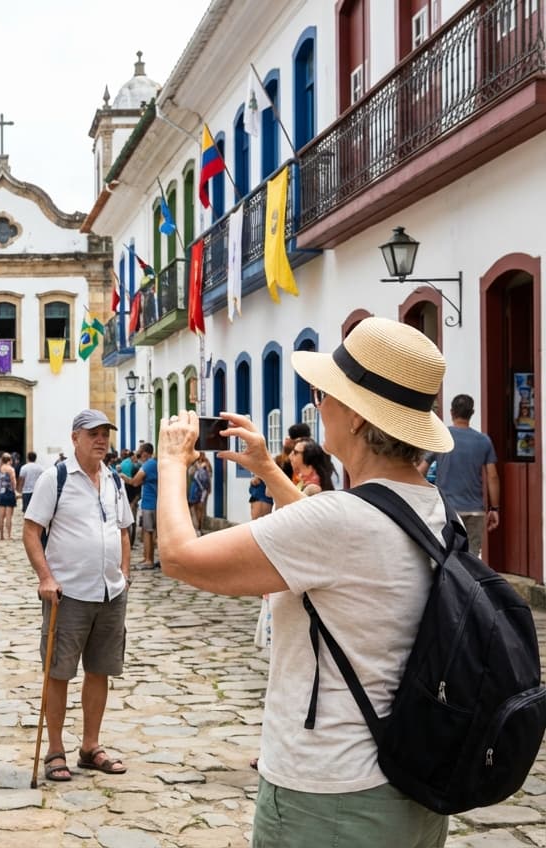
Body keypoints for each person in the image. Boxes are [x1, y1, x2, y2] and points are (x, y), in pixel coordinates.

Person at [154, 317, 452, 846]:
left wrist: (171, 461)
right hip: (410, 784)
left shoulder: (340, 519)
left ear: (357, 416)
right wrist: (269, 470)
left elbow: (179, 557)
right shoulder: (429, 506)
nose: (318, 406)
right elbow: (330, 543)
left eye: (324, 394)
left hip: (330, 794)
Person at [23, 409, 134, 781]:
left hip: (110, 593)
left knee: (100, 670)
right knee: (58, 673)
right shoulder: (55, 479)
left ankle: (90, 746)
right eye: (93, 434)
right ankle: (55, 750)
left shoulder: (114, 479)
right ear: (75, 438)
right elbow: (31, 531)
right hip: (67, 594)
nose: (101, 440)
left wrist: (124, 574)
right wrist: (45, 577)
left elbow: (123, 530)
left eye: (105, 434)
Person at [432, 393, 499, 559]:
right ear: (472, 413)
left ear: (451, 412)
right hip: (475, 510)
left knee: (447, 556)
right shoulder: (484, 441)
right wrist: (494, 509)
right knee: (472, 557)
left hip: (447, 510)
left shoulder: (441, 437)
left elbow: (421, 469)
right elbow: (492, 477)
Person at [126, 443, 159, 569]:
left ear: (145, 453)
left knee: (147, 532)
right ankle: (147, 558)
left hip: (149, 503)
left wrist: (124, 477)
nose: (138, 454)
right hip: (153, 502)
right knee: (149, 531)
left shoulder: (148, 464)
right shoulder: (154, 464)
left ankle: (149, 560)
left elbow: (135, 482)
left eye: (140, 451)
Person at [0, 452, 18, 540]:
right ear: (9, 460)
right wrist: (15, 491)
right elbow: (13, 481)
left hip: (1, 493)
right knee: (9, 516)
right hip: (9, 493)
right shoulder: (11, 469)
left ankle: (1, 536)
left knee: (1, 516)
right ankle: (9, 535)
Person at [187, 453, 211, 533]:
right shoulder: (206, 464)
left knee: (195, 509)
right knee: (200, 510)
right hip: (203, 490)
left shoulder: (194, 465)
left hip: (195, 489)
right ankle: (199, 528)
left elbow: (191, 475)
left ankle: (197, 528)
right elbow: (209, 477)